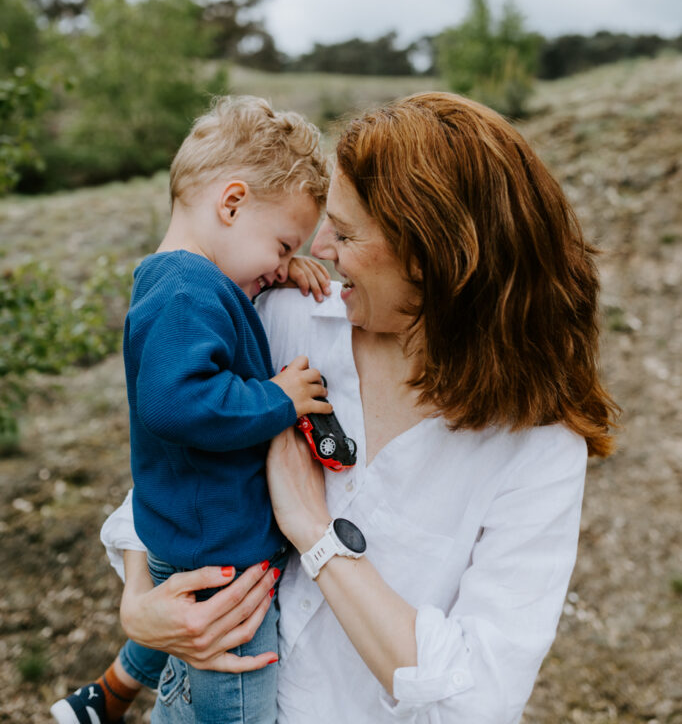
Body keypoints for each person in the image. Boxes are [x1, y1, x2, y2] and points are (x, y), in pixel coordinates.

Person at [82, 92, 620, 723]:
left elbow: (476, 700)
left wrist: (316, 535)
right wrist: (141, 607)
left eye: (346, 231)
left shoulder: (538, 447)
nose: (323, 250)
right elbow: (172, 466)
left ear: (433, 257)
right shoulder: (283, 319)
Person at [50, 95, 333, 724]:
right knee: (238, 701)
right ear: (231, 204)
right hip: (223, 557)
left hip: (190, 528)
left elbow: (223, 326)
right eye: (284, 244)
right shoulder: (185, 291)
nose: (283, 264)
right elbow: (176, 403)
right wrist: (278, 399)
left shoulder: (192, 282)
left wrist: (277, 272)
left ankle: (106, 697)